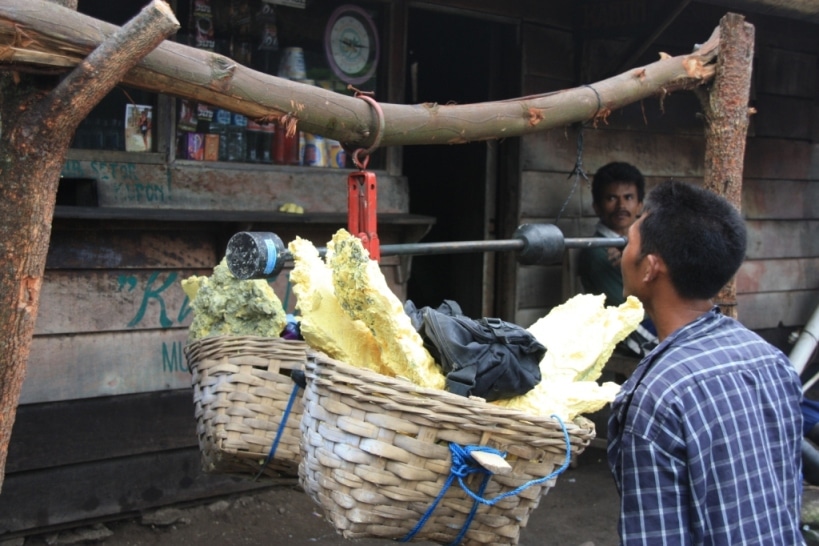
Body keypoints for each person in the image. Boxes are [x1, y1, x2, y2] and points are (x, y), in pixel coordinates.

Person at [608, 179, 803, 545]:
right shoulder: (771, 359)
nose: (621, 255)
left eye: (627, 243)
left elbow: (657, 537)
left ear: (650, 268)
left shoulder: (656, 396)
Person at [577, 161, 657, 357]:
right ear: (597, 207)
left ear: (639, 205)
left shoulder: (645, 244)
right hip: (627, 329)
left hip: (653, 320)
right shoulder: (596, 251)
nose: (621, 206)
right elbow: (625, 307)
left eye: (628, 197)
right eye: (611, 198)